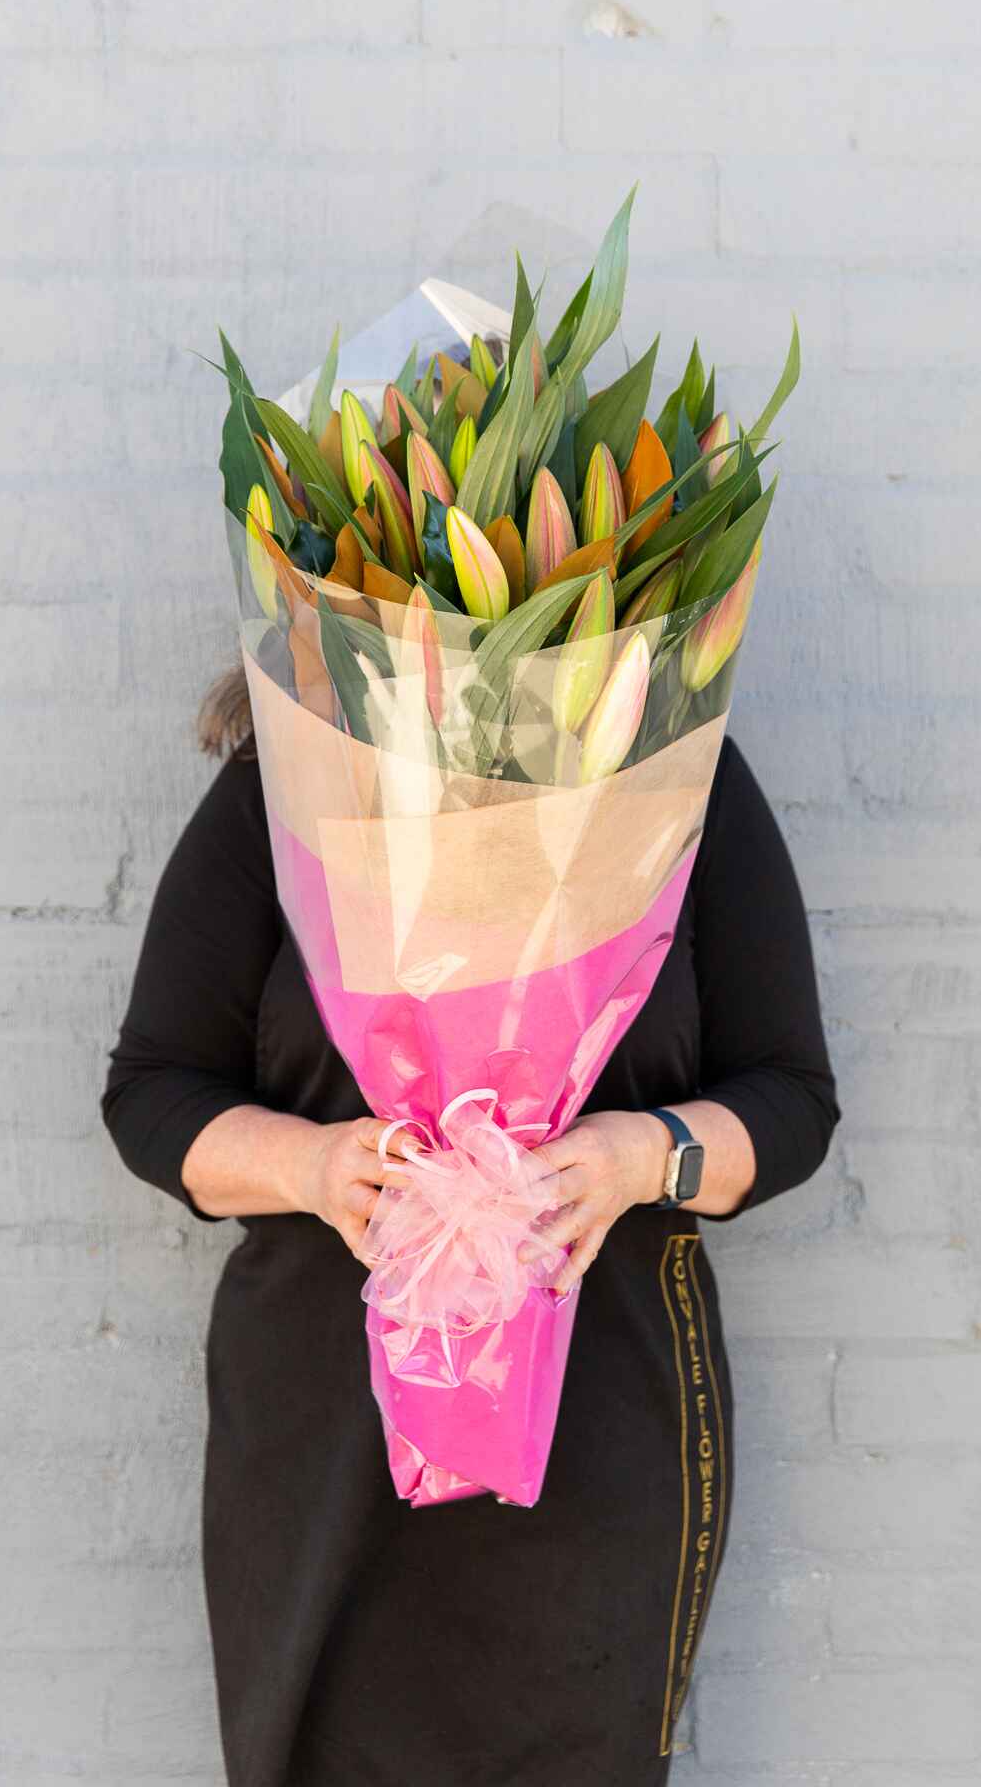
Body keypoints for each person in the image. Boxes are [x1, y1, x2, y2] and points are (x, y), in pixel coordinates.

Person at [101, 665, 839, 1787]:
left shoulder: (677, 783)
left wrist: (643, 1154)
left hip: (599, 1434)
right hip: (327, 1442)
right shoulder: (291, 787)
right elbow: (154, 1092)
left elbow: (789, 1098)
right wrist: (314, 1164)